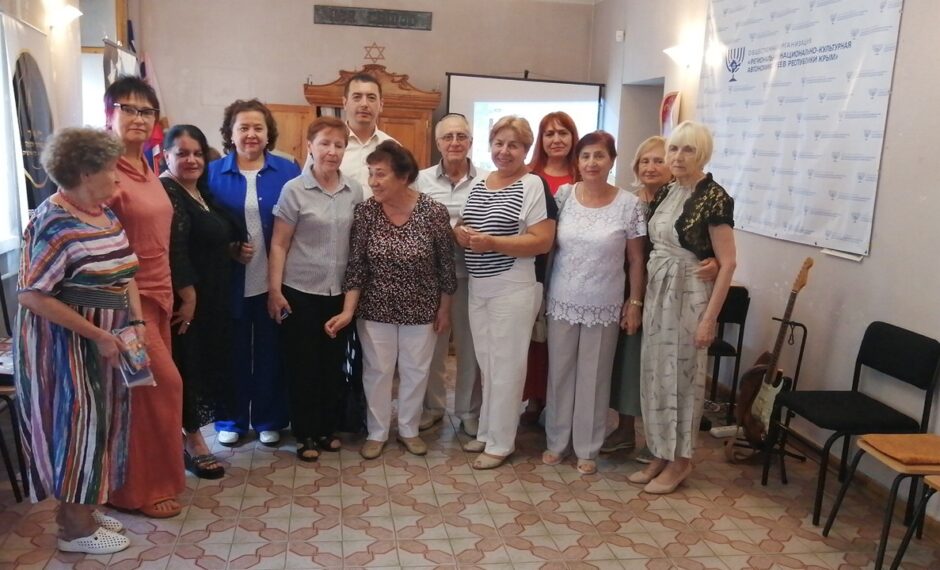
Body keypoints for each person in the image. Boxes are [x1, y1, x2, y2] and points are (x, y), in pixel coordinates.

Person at [14, 128, 135, 554]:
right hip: (64, 345)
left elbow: (126, 271)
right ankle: (74, 530)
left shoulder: (104, 212)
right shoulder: (52, 220)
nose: (117, 177)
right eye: (111, 169)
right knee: (76, 427)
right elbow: (31, 294)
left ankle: (82, 508)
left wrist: (135, 322)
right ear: (85, 172)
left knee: (102, 424)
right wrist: (98, 334)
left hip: (104, 340)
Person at [325, 141, 456, 460]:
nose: (372, 181)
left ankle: (409, 430)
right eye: (370, 173)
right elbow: (356, 266)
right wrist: (348, 311)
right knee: (377, 371)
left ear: (404, 176)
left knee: (416, 371)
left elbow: (446, 266)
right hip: (374, 309)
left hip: (421, 308)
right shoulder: (366, 212)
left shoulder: (433, 212)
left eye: (380, 174)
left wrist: (444, 309)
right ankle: (377, 432)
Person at [629, 121, 736, 494]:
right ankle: (660, 452)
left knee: (683, 378)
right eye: (673, 149)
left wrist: (709, 319)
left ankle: (682, 461)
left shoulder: (715, 197)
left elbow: (728, 263)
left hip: (689, 293)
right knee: (656, 374)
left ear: (702, 154)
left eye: (687, 150)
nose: (677, 157)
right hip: (659, 288)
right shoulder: (667, 191)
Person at [601, 136, 719, 462]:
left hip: (669, 296)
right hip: (627, 289)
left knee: (660, 370)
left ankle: (658, 444)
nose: (651, 167)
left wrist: (712, 260)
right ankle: (627, 429)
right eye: (645, 161)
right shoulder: (628, 201)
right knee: (628, 364)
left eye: (658, 160)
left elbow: (704, 243)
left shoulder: (684, 201)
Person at [104, 76, 186, 518]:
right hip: (125, 303)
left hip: (159, 297)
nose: (138, 117)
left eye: (146, 111)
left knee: (141, 395)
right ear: (110, 113)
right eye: (128, 108)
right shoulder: (104, 169)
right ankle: (140, 490)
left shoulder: (147, 167)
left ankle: (141, 482)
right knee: (160, 388)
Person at [543, 131, 647, 475]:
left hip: (604, 303)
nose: (592, 162)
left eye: (599, 156)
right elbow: (550, 247)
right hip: (561, 299)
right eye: (585, 155)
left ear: (612, 160)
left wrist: (635, 302)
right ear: (578, 160)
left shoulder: (629, 205)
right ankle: (556, 442)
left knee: (595, 376)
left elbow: (636, 259)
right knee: (559, 373)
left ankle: (587, 447)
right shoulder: (564, 196)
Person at [457, 116, 556, 470]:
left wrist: (493, 243)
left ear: (526, 149)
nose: (504, 151)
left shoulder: (533, 185)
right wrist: (460, 234)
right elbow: (465, 223)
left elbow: (542, 241)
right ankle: (487, 432)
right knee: (488, 363)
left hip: (513, 285)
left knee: (507, 366)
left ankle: (501, 443)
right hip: (479, 285)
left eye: (513, 145)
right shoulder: (479, 182)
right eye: (499, 143)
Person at [268, 117, 363, 462]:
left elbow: (357, 247)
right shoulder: (294, 189)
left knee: (333, 364)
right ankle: (305, 432)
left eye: (339, 145)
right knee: (303, 365)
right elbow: (279, 243)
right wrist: (274, 290)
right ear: (310, 146)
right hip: (299, 291)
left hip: (339, 293)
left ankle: (327, 428)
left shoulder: (354, 190)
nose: (332, 151)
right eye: (325, 143)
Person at [208, 99, 300, 448]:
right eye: (243, 127)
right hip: (228, 283)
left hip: (273, 281)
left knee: (270, 352)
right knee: (230, 353)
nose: (251, 134)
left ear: (268, 133)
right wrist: (227, 249)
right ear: (230, 133)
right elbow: (202, 227)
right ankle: (230, 419)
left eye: (258, 128)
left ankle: (269, 418)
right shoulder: (212, 173)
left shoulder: (287, 171)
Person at [161, 124, 244, 479]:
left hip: (213, 297)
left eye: (197, 153)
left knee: (203, 365)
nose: (192, 160)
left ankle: (191, 438)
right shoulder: (168, 191)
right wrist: (188, 295)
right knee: (187, 368)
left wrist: (233, 250)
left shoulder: (198, 191)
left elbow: (211, 236)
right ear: (165, 155)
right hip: (188, 303)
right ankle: (193, 443)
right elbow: (174, 248)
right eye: (182, 153)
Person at [416, 113, 488, 437]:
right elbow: (413, 223)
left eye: (461, 136)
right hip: (431, 279)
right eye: (448, 137)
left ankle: (468, 412)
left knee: (471, 348)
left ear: (471, 142)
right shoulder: (420, 181)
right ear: (438, 143)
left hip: (474, 277)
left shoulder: (488, 180)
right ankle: (432, 408)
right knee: (432, 347)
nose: (455, 142)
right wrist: (450, 231)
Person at [521, 111, 580, 425]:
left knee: (561, 338)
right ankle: (533, 399)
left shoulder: (583, 176)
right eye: (549, 134)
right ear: (541, 140)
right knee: (534, 335)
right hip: (534, 265)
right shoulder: (529, 176)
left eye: (563, 133)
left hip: (572, 267)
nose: (556, 139)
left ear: (573, 138)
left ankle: (558, 403)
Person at [339, 73, 397, 194]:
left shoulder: (394, 148)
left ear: (381, 105)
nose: (364, 104)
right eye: (357, 97)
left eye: (371, 98)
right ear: (344, 103)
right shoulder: (327, 147)